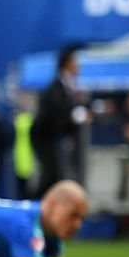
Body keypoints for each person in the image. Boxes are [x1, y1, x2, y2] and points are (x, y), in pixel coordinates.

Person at [31, 46, 90, 196]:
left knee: (56, 175)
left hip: (55, 137)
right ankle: (34, 205)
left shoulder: (71, 84)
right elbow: (58, 110)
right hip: (43, 136)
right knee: (52, 174)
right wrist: (78, 115)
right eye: (75, 61)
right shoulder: (57, 86)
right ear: (67, 63)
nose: (78, 65)